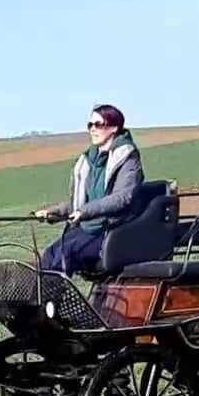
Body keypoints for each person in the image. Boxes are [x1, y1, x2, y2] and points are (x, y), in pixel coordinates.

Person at [32, 105, 144, 274]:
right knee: (49, 255)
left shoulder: (127, 158)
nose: (92, 129)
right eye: (90, 125)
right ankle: (41, 300)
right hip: (87, 229)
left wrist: (85, 211)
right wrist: (52, 212)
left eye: (98, 124)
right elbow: (78, 204)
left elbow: (123, 197)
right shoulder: (89, 160)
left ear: (114, 128)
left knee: (65, 255)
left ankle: (51, 300)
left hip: (113, 231)